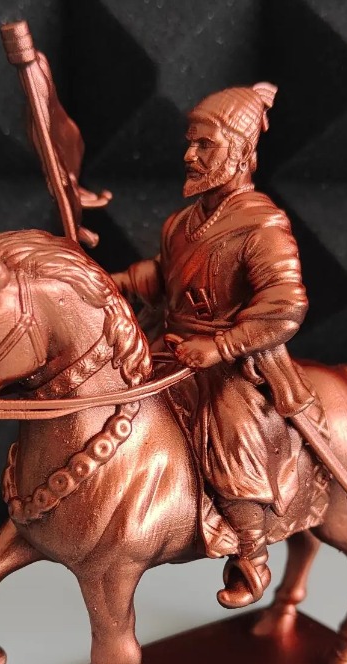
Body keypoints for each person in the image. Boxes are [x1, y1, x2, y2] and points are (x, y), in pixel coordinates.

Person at [112, 82, 320, 609]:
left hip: (237, 363)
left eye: (205, 144)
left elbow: (285, 303)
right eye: (190, 142)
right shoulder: (180, 223)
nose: (190, 154)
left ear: (242, 150)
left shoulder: (262, 223)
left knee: (232, 430)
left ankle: (250, 552)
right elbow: (162, 275)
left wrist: (222, 346)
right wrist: (112, 283)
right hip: (170, 345)